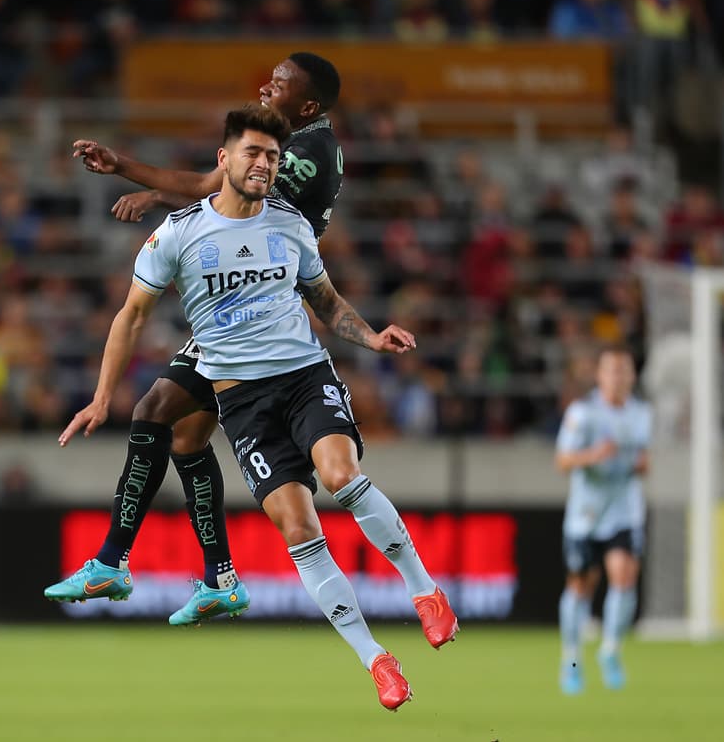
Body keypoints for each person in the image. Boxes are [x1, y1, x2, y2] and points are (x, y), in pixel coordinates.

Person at [57, 105, 458, 710]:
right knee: (299, 530)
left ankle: (425, 592)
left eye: (272, 155)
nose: (265, 164)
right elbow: (131, 315)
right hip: (241, 403)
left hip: (303, 377)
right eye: (253, 152)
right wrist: (99, 397)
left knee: (341, 476)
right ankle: (377, 659)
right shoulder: (180, 233)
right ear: (224, 160)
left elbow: (324, 301)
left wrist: (370, 336)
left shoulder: (291, 223)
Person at [52, 53, 346, 626]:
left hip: (263, 317)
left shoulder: (303, 153)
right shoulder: (305, 141)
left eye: (280, 83)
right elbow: (218, 192)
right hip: (250, 300)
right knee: (184, 436)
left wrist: (146, 188)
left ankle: (113, 561)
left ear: (306, 106)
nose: (267, 84)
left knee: (154, 409)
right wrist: (129, 173)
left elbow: (221, 190)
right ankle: (219, 579)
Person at [554, 345, 651, 694]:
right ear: (600, 376)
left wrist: (641, 464)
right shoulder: (583, 413)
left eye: (624, 370)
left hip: (624, 509)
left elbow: (644, 459)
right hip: (586, 514)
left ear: (632, 376)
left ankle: (611, 650)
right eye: (612, 370)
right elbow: (563, 461)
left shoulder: (641, 414)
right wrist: (594, 455)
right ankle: (572, 660)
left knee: (624, 577)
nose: (618, 377)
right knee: (581, 587)